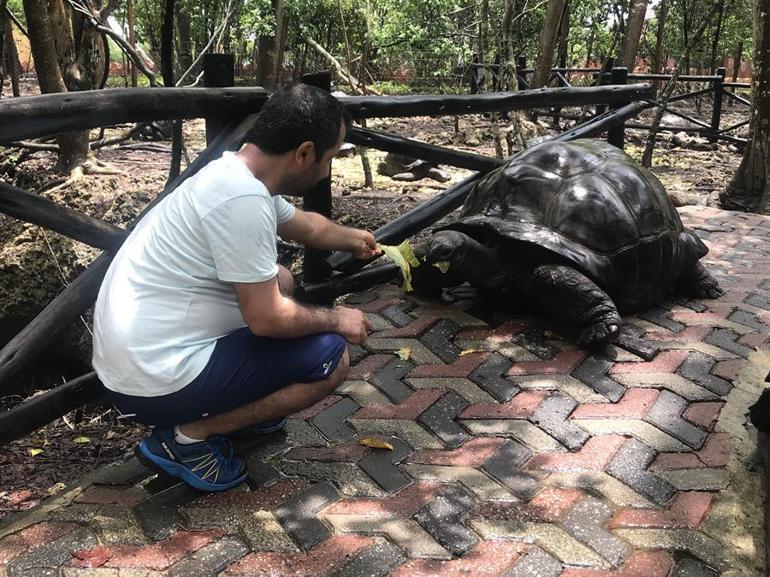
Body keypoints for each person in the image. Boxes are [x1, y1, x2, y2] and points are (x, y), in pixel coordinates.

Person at [92, 83, 380, 492]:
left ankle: (243, 408)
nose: (328, 169)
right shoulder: (240, 200)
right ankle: (187, 439)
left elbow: (305, 224)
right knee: (330, 356)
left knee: (280, 279)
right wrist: (337, 318)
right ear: (303, 153)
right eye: (329, 157)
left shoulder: (234, 174)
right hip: (151, 382)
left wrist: (352, 237)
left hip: (138, 363)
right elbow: (267, 320)